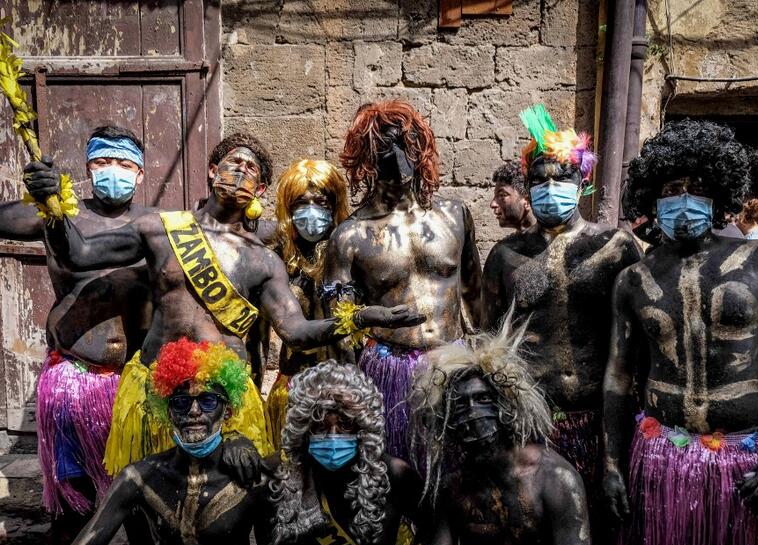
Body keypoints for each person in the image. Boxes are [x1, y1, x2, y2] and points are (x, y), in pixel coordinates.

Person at [42, 132, 424, 479]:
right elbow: (80, 253)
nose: (241, 171)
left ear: (259, 190)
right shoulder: (161, 229)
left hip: (225, 399)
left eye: (252, 169)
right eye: (233, 163)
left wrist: (360, 317)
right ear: (212, 172)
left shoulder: (262, 260)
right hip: (155, 390)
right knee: (147, 489)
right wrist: (52, 207)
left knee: (231, 495)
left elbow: (296, 331)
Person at [604, 119, 758, 545]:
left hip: (746, 464)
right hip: (660, 461)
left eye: (697, 189)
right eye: (672, 190)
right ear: (653, 200)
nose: (684, 200)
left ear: (718, 195)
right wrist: (610, 465)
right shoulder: (633, 279)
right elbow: (617, 377)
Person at [480, 104, 640, 545]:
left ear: (582, 182)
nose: (552, 189)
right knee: (538, 535)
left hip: (600, 420)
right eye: (541, 180)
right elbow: (491, 344)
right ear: (529, 187)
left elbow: (634, 343)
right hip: (533, 425)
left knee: (606, 529)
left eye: (563, 178)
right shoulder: (506, 255)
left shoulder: (615, 246)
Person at [11, 125, 155, 545]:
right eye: (104, 162)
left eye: (126, 165)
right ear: (89, 168)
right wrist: (38, 189)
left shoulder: (157, 227)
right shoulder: (56, 216)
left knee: (140, 490)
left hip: (131, 383)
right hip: (73, 381)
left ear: (141, 174)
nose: (114, 172)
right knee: (72, 489)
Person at [55, 339, 280, 545]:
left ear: (227, 411)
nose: (194, 411)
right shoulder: (139, 477)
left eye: (207, 401)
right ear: (167, 411)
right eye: (181, 402)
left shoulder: (253, 479)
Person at [324, 100, 482, 460]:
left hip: (452, 364)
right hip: (388, 369)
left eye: (404, 144)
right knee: (398, 469)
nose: (395, 157)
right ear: (366, 156)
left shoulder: (455, 216)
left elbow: (475, 296)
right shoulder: (350, 236)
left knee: (455, 473)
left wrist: (482, 363)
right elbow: (341, 330)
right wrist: (355, 400)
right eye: (383, 148)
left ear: (420, 147)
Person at [406, 315, 592, 545]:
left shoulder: (555, 478)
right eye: (460, 405)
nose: (472, 413)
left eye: (482, 399)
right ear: (446, 419)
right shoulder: (454, 487)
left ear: (506, 405)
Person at [269, 360, 430, 545]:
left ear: (362, 425)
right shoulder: (283, 471)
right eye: (320, 426)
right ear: (303, 428)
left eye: (345, 425)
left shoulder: (395, 473)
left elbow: (436, 523)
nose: (333, 437)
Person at [263, 159, 350, 451]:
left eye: (321, 202)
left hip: (344, 386)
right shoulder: (275, 255)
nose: (311, 210)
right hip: (293, 384)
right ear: (288, 208)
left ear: (334, 205)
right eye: (301, 202)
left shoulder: (351, 249)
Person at [490, 160, 534, 232]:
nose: (492, 204)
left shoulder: (556, 242)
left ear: (527, 201)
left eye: (502, 195)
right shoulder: (510, 242)